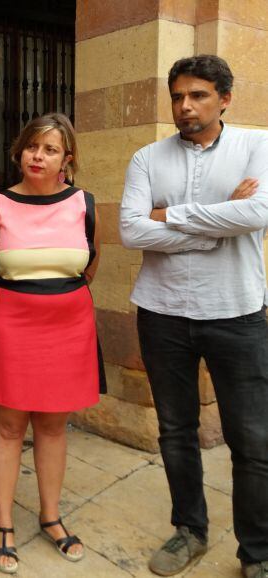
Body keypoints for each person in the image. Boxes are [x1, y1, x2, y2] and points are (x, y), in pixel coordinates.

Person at [120, 54, 268, 578]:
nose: (185, 106)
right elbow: (132, 232)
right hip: (162, 313)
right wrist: (218, 222)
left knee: (252, 440)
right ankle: (189, 530)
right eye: (178, 95)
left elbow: (257, 212)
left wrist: (171, 217)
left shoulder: (258, 145)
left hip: (238, 313)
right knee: (175, 429)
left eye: (198, 95)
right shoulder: (146, 157)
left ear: (225, 98)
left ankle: (257, 552)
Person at [0, 113, 103, 574]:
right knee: (7, 426)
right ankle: (3, 523)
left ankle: (50, 516)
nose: (37, 156)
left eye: (49, 149)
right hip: (12, 325)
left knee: (52, 426)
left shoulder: (84, 204)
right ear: (19, 151)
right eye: (31, 147)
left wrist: (53, 301)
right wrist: (24, 304)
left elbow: (89, 266)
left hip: (68, 328)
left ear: (67, 158)